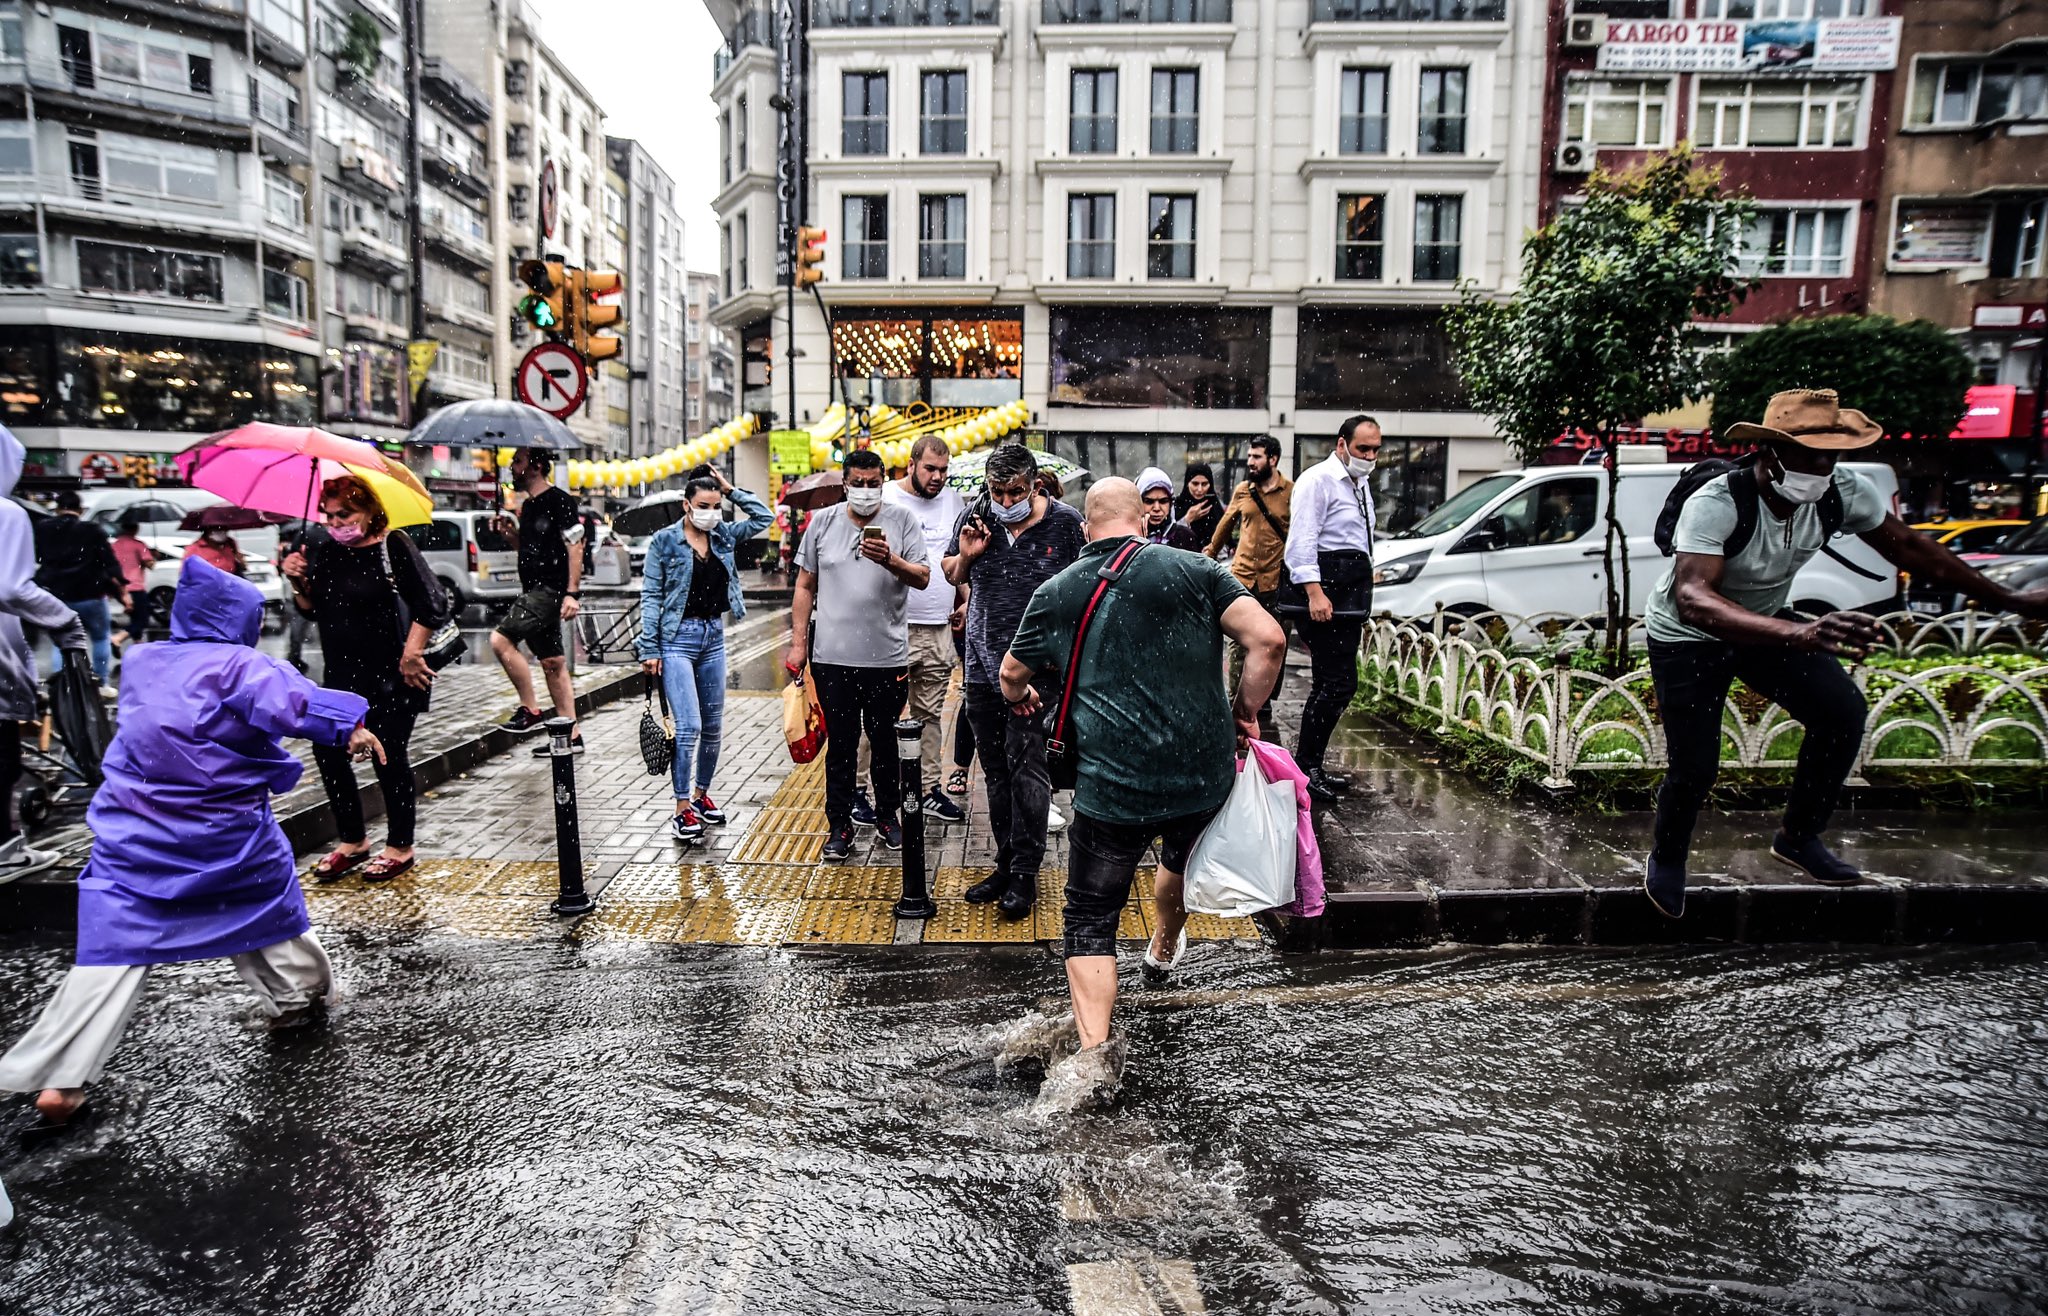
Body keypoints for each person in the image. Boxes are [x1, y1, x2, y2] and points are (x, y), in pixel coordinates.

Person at [0, 557, 382, 1126]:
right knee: (266, 912)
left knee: (110, 954)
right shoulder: (241, 665)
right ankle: (300, 997)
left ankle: (61, 1077)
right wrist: (348, 725)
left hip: (132, 835)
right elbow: (293, 701)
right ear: (241, 620)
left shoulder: (144, 659)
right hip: (221, 833)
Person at [1643, 389, 2048, 918]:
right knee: (1696, 764)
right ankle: (1668, 858)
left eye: (1831, 456)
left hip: (1769, 625)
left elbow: (1910, 547)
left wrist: (2008, 598)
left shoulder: (1842, 491)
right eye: (1809, 456)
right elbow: (1694, 598)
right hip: (1689, 636)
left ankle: (1797, 836)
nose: (1822, 467)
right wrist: (1802, 633)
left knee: (1841, 713)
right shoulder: (1718, 501)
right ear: (1769, 453)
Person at [1002, 477, 1286, 1103]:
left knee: (1090, 916)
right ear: (1143, 520)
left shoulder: (1059, 589)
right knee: (1178, 856)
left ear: (1087, 528)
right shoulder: (1196, 569)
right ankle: (1161, 945)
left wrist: (1024, 702)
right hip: (1200, 777)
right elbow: (1267, 639)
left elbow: (1009, 676)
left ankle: (1095, 1054)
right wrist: (1244, 712)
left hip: (1112, 786)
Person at [943, 442, 1088, 919]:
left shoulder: (1065, 524)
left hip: (1037, 671)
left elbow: (1082, 591)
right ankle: (1004, 865)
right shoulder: (976, 515)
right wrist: (967, 556)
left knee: (1030, 769)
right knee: (995, 770)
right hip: (983, 668)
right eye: (998, 491)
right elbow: (950, 572)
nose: (1006, 502)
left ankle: (1025, 874)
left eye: (1015, 492)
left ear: (1035, 485)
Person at [282, 476, 448, 884]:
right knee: (328, 753)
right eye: (330, 515)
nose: (336, 523)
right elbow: (312, 611)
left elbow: (433, 605)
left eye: (346, 514)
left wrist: (411, 654)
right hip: (341, 676)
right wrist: (297, 581)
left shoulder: (395, 546)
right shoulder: (323, 550)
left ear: (371, 511)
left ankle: (400, 846)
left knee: (388, 755)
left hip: (394, 675)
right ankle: (353, 840)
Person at [785, 449, 930, 860]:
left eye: (873, 483)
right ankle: (840, 826)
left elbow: (922, 577)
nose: (866, 491)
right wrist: (799, 644)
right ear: (845, 483)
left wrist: (892, 560)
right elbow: (804, 585)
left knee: (885, 743)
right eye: (858, 484)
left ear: (883, 481)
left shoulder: (902, 521)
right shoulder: (823, 523)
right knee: (842, 745)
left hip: (886, 658)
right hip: (833, 659)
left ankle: (888, 817)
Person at [637, 467, 774, 840]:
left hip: (713, 636)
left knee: (713, 727)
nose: (711, 512)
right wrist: (649, 647)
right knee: (690, 726)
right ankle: (681, 808)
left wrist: (731, 490)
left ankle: (701, 796)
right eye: (703, 505)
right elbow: (650, 597)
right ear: (686, 505)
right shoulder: (664, 543)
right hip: (676, 640)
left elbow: (765, 516)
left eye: (716, 505)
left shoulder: (724, 536)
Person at [1282, 415, 1382, 803]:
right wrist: (1314, 592)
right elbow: (1301, 541)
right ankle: (1305, 768)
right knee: (1338, 684)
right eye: (1363, 449)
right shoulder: (1318, 480)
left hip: (1346, 597)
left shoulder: (1359, 483)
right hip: (1325, 597)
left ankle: (1310, 766)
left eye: (1375, 449)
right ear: (1342, 445)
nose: (1370, 456)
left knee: (1331, 683)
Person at [0, 433, 86, 877]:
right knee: (4, 760)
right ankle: (6, 852)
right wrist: (64, 620)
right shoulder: (7, 512)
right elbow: (12, 587)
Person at [884, 435, 970, 825]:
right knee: (881, 714)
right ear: (912, 463)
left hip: (937, 627)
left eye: (943, 470)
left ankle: (928, 788)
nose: (937, 477)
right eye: (930, 469)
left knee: (930, 713)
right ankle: (868, 791)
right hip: (890, 626)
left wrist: (966, 597)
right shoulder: (886, 498)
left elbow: (958, 556)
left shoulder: (954, 502)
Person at [491, 449, 585, 748]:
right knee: (553, 663)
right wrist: (511, 536)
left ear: (537, 466)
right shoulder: (529, 506)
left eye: (517, 461)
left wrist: (571, 593)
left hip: (548, 590)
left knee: (500, 640)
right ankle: (572, 736)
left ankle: (529, 708)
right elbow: (533, 551)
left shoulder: (560, 501)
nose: (511, 466)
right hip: (534, 588)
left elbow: (575, 546)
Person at [1206, 435, 1295, 733]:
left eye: (1257, 457)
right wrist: (1209, 555)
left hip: (1275, 581)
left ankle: (1264, 699)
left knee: (1275, 642)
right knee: (1239, 644)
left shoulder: (1291, 493)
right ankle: (1236, 702)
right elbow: (1225, 526)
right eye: (1250, 457)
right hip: (1242, 578)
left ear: (1273, 459)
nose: (1251, 462)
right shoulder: (1243, 490)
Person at [33, 490, 124, 685]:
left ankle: (61, 683)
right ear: (80, 510)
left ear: (57, 509)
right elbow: (109, 562)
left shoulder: (44, 529)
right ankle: (101, 682)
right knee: (100, 638)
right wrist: (122, 587)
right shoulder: (93, 530)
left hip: (58, 595)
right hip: (91, 593)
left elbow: (37, 557)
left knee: (60, 642)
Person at [109, 515, 156, 640]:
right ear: (136, 528)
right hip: (135, 586)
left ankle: (137, 645)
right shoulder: (138, 545)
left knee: (135, 617)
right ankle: (118, 638)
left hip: (118, 587)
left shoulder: (114, 545)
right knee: (143, 619)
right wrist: (154, 555)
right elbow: (149, 564)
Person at [1135, 468, 1201, 549]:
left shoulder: (1185, 537)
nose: (1156, 508)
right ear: (1139, 502)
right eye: (1149, 501)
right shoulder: (1131, 538)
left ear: (1171, 503)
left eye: (1163, 501)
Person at [1175, 463, 1224, 549]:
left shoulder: (1215, 507)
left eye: (1204, 484)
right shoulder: (1177, 506)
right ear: (1187, 483)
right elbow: (1170, 537)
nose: (1200, 489)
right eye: (1195, 484)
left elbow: (1225, 539)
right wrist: (1187, 519)